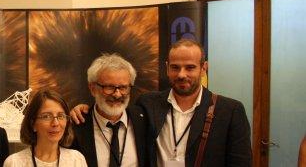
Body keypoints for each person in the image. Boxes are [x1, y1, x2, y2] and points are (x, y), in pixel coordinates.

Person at [136, 38, 251, 166]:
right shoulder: (147, 104)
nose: (181, 75)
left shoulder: (230, 111)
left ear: (203, 68)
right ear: (167, 68)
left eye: (190, 67)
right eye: (175, 67)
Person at [69, 54, 148, 167]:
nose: (117, 94)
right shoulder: (77, 125)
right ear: (92, 89)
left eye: (123, 87)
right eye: (109, 87)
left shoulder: (143, 120)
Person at [4, 89, 87, 167]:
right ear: (33, 124)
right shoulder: (14, 163)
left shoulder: (76, 160)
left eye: (60, 116)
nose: (55, 123)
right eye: (46, 116)